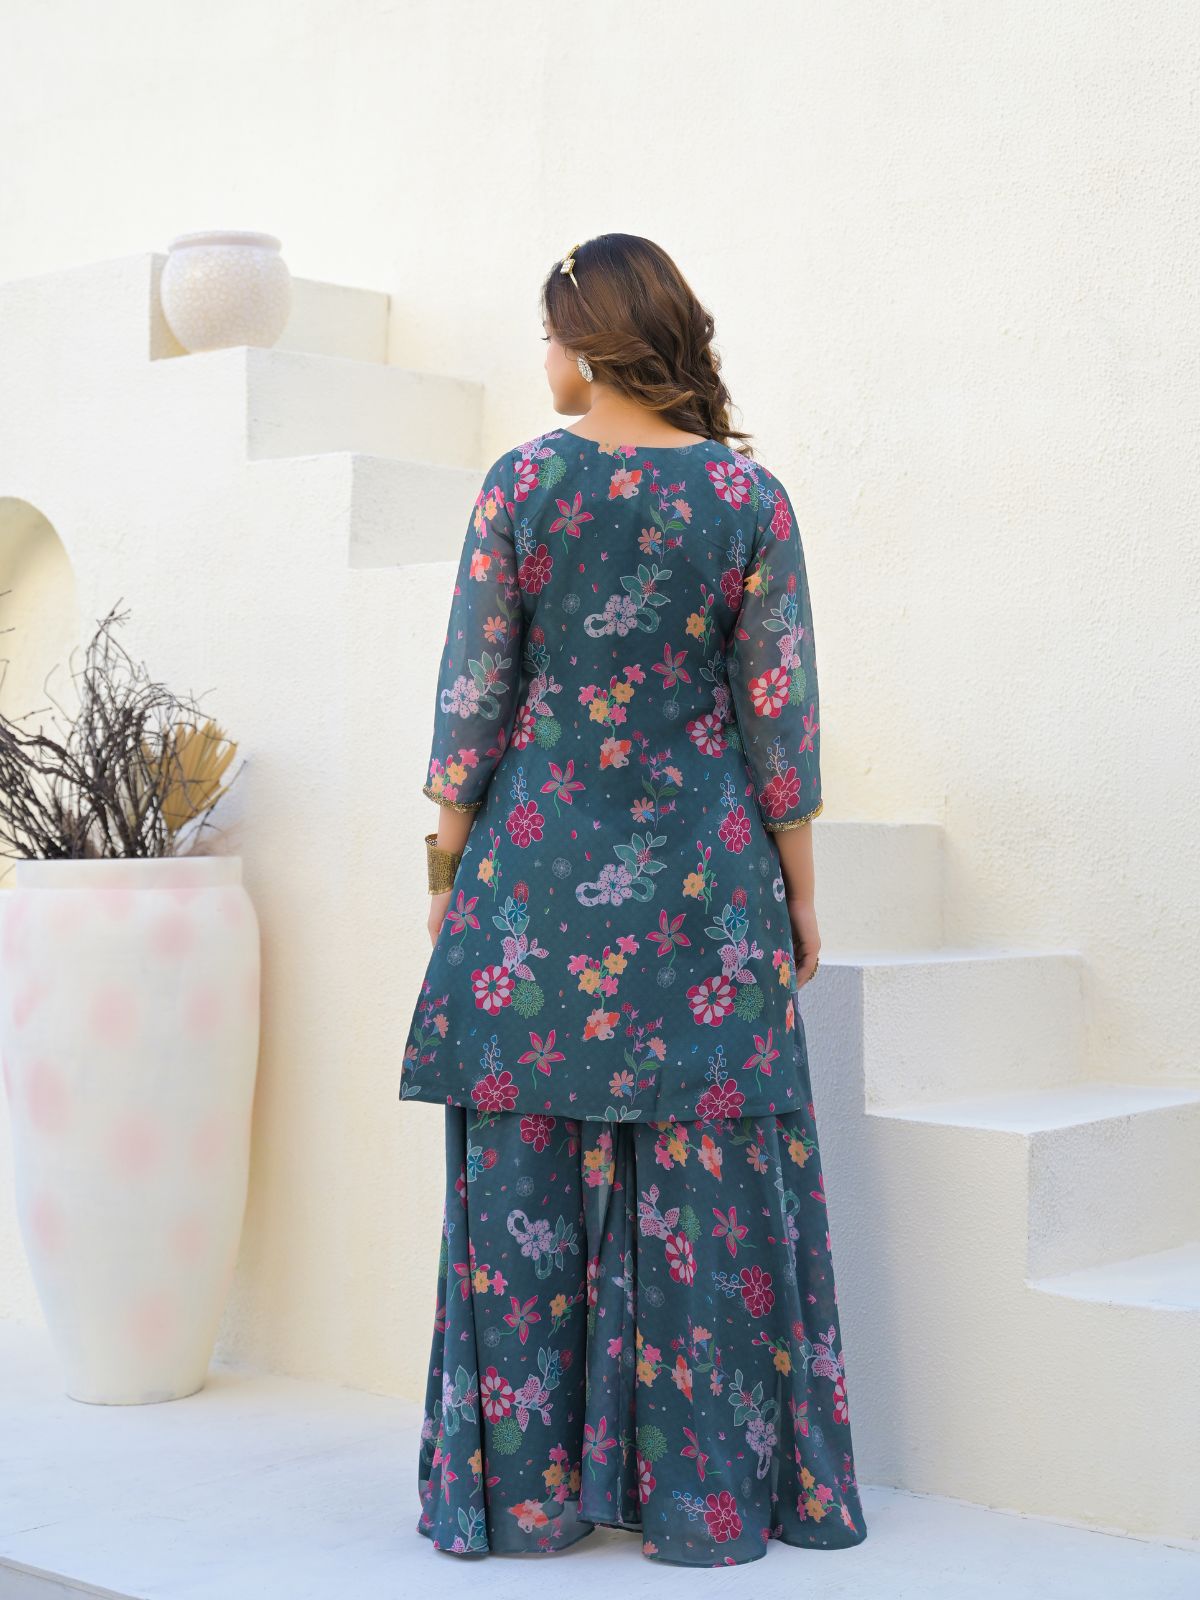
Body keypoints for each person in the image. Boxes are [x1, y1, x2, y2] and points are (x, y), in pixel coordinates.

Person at [399, 233, 868, 1566]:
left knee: (522, 1190)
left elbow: (473, 694)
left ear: (594, 345)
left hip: (532, 894)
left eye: (551, 334)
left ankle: (524, 1502)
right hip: (707, 890)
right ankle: (707, 1503)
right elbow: (780, 721)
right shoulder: (748, 499)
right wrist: (801, 896)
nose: (542, 358)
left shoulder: (522, 485)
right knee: (710, 1197)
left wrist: (446, 871)